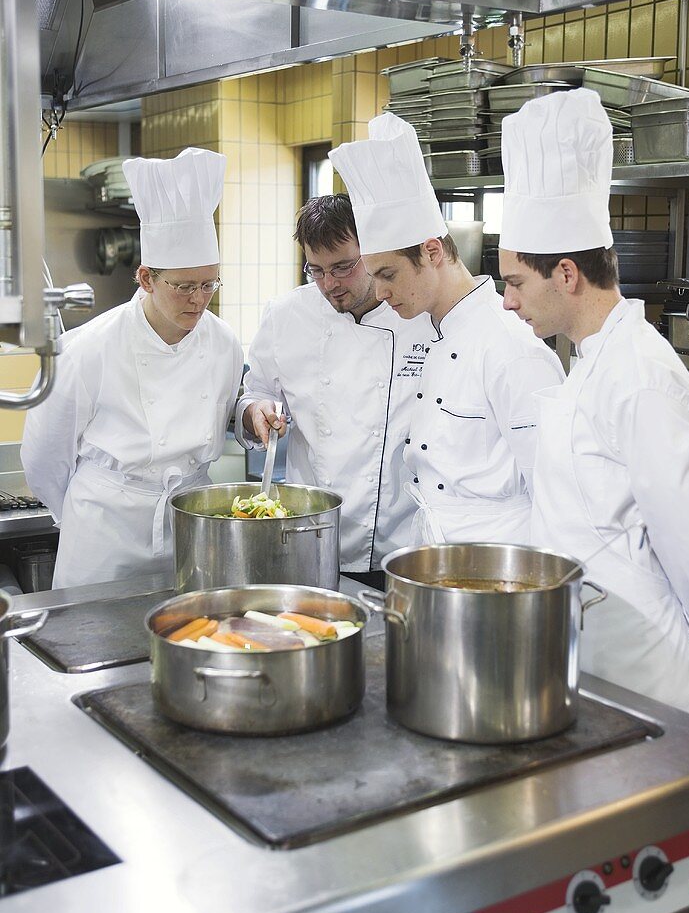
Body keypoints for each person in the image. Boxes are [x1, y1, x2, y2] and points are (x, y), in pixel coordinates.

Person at [498, 87, 689, 716]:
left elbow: (683, 521)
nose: (507, 302)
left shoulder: (640, 370)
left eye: (516, 283)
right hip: (582, 650)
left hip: (639, 663)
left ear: (567, 274)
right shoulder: (587, 360)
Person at [329, 112, 565, 544]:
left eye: (388, 274)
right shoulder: (433, 331)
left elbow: (557, 497)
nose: (378, 293)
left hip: (500, 566)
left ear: (432, 250)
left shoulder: (512, 348)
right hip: (436, 555)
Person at [22, 147, 244, 588]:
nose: (200, 299)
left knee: (187, 642)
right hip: (103, 536)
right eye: (184, 287)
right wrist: (94, 505)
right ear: (146, 279)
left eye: (209, 283)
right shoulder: (87, 350)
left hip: (190, 530)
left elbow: (227, 411)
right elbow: (43, 456)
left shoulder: (223, 343)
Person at [234, 193, 434, 589]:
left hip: (401, 541)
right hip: (309, 536)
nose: (330, 284)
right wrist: (255, 411)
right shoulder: (286, 315)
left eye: (343, 267)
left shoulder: (419, 315)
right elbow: (253, 392)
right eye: (317, 270)